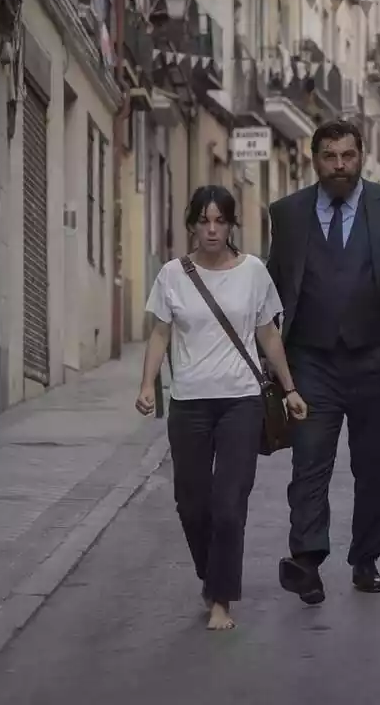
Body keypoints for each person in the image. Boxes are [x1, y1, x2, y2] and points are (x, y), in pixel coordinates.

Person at [266, 119, 380, 605]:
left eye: (348, 156)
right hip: (311, 362)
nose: (340, 166)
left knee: (375, 467)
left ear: (361, 156)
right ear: (314, 158)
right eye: (330, 156)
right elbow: (276, 287)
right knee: (309, 463)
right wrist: (273, 358)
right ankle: (307, 560)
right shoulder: (288, 213)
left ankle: (365, 559)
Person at [136, 185, 307, 631]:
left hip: (241, 402)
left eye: (220, 221)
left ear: (231, 225)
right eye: (204, 221)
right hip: (189, 402)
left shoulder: (253, 273)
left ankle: (221, 599)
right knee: (191, 505)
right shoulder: (173, 274)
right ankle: (211, 574)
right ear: (192, 224)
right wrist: (147, 386)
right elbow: (159, 333)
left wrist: (289, 388)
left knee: (229, 504)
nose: (212, 230)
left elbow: (268, 334)